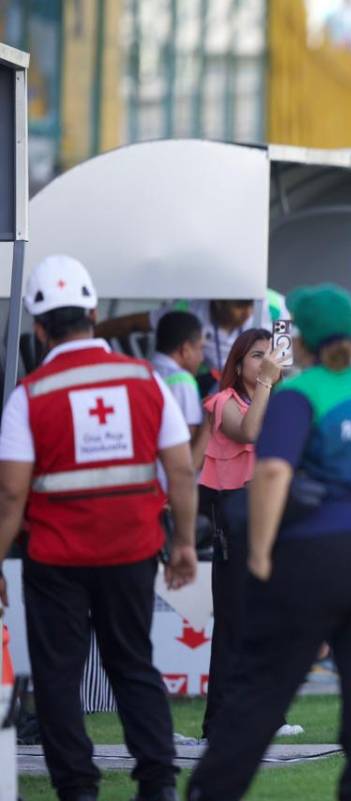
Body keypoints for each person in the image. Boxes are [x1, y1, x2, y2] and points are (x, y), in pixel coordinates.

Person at [187, 284, 351, 801]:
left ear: (300, 341)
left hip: (322, 551)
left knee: (261, 689)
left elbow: (273, 473)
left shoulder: (302, 394)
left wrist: (259, 554)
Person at [0, 255, 198, 801]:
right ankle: (157, 782)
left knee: (59, 675)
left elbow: (12, 492)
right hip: (132, 550)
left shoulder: (29, 396)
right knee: (132, 662)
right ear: (93, 311)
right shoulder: (146, 381)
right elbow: (180, 468)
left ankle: (78, 789)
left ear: (39, 328)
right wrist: (183, 542)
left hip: (56, 561)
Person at [198, 328, 290, 742]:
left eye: (271, 354)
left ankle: (266, 717)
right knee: (235, 624)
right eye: (256, 355)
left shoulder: (282, 405)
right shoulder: (223, 403)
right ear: (238, 365)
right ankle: (219, 721)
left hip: (275, 521)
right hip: (236, 525)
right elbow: (249, 432)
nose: (264, 361)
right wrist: (268, 381)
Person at [97, 298, 275, 393]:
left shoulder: (276, 308)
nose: (249, 312)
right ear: (218, 302)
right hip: (211, 392)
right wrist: (90, 335)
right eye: (240, 306)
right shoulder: (188, 308)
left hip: (259, 392)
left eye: (251, 305)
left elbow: (284, 365)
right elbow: (131, 324)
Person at [151, 311, 206, 467]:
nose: (202, 358)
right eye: (200, 348)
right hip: (170, 477)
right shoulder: (183, 381)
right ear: (185, 350)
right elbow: (187, 448)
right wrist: (210, 425)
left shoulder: (142, 371)